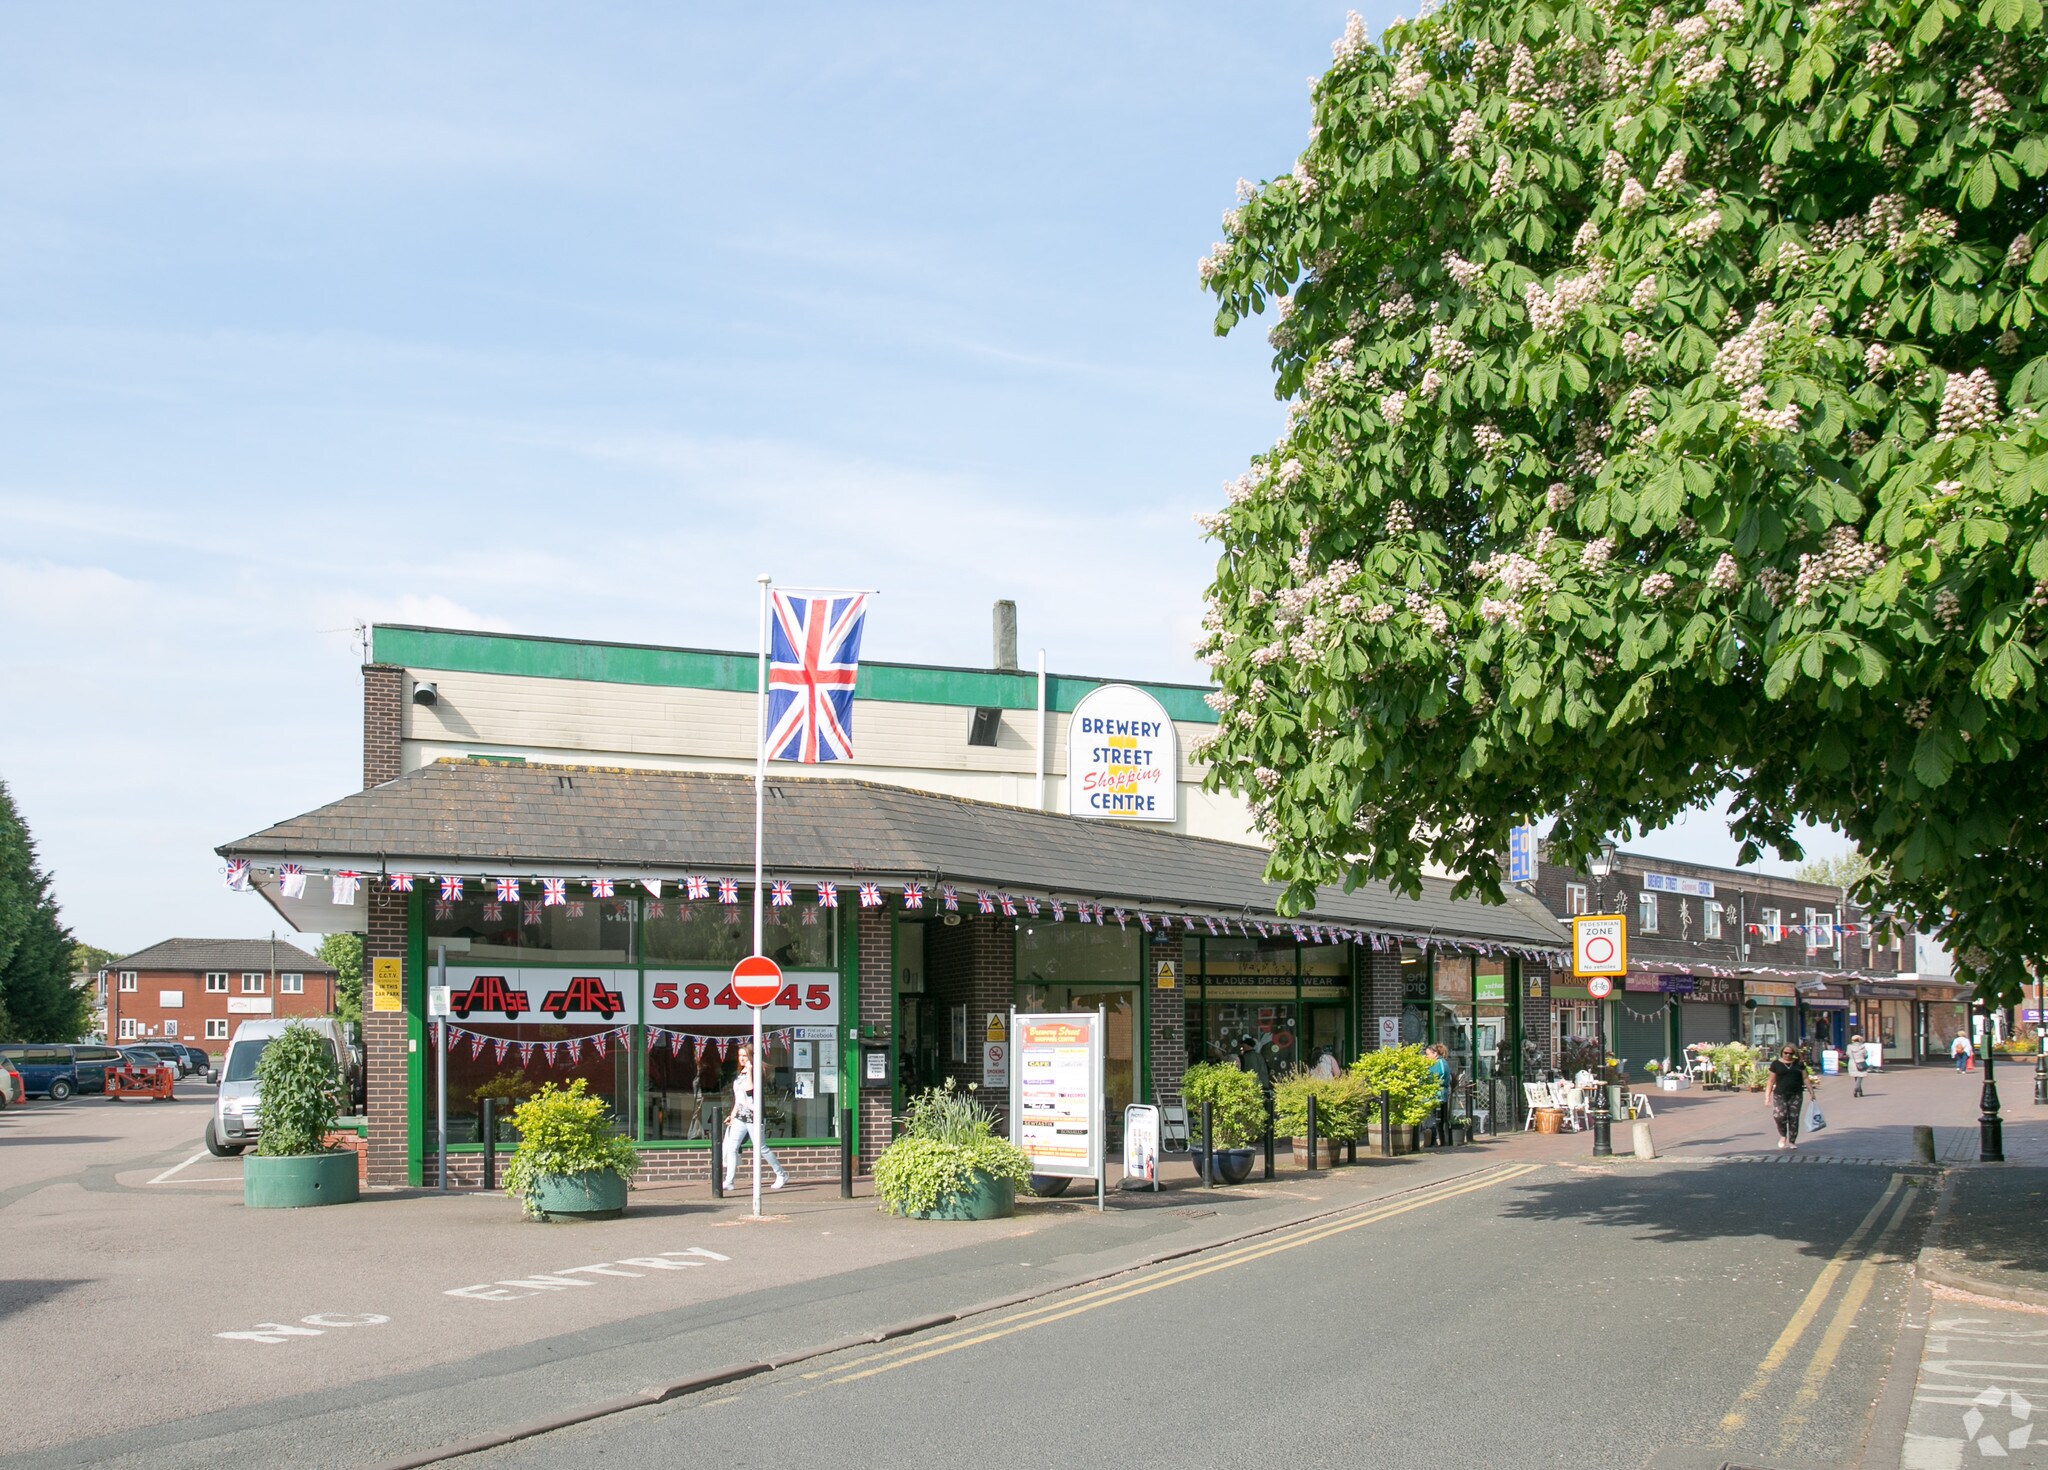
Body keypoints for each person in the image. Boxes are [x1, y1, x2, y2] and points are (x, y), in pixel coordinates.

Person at [722, 1044, 787, 1192]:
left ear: (751, 1057)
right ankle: (729, 1181)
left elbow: (750, 1091)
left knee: (761, 1148)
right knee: (732, 1148)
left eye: (745, 1056)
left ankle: (781, 1174)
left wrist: (750, 1070)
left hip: (754, 1116)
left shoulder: (756, 1073)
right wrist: (732, 1115)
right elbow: (738, 1097)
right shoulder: (740, 1073)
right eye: (740, 1056)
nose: (742, 1059)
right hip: (740, 1116)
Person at [1768, 1043, 1814, 1149]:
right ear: (1782, 1052)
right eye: (1786, 1053)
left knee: (1793, 1117)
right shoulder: (1776, 1064)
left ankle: (1792, 1141)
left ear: (1794, 1053)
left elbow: (1805, 1078)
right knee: (1779, 1116)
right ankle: (1783, 1135)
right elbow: (1770, 1080)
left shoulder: (1799, 1064)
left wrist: (1811, 1092)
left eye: (1790, 1053)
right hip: (1780, 1094)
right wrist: (1767, 1097)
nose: (1788, 1055)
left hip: (1795, 1094)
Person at [1847, 1033, 1870, 1098]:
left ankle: (1860, 1091)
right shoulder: (1862, 1047)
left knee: (1856, 1077)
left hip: (1852, 1063)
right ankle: (1856, 1089)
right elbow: (1866, 1055)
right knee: (1860, 1077)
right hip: (1861, 1062)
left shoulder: (1849, 1047)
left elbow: (1848, 1054)